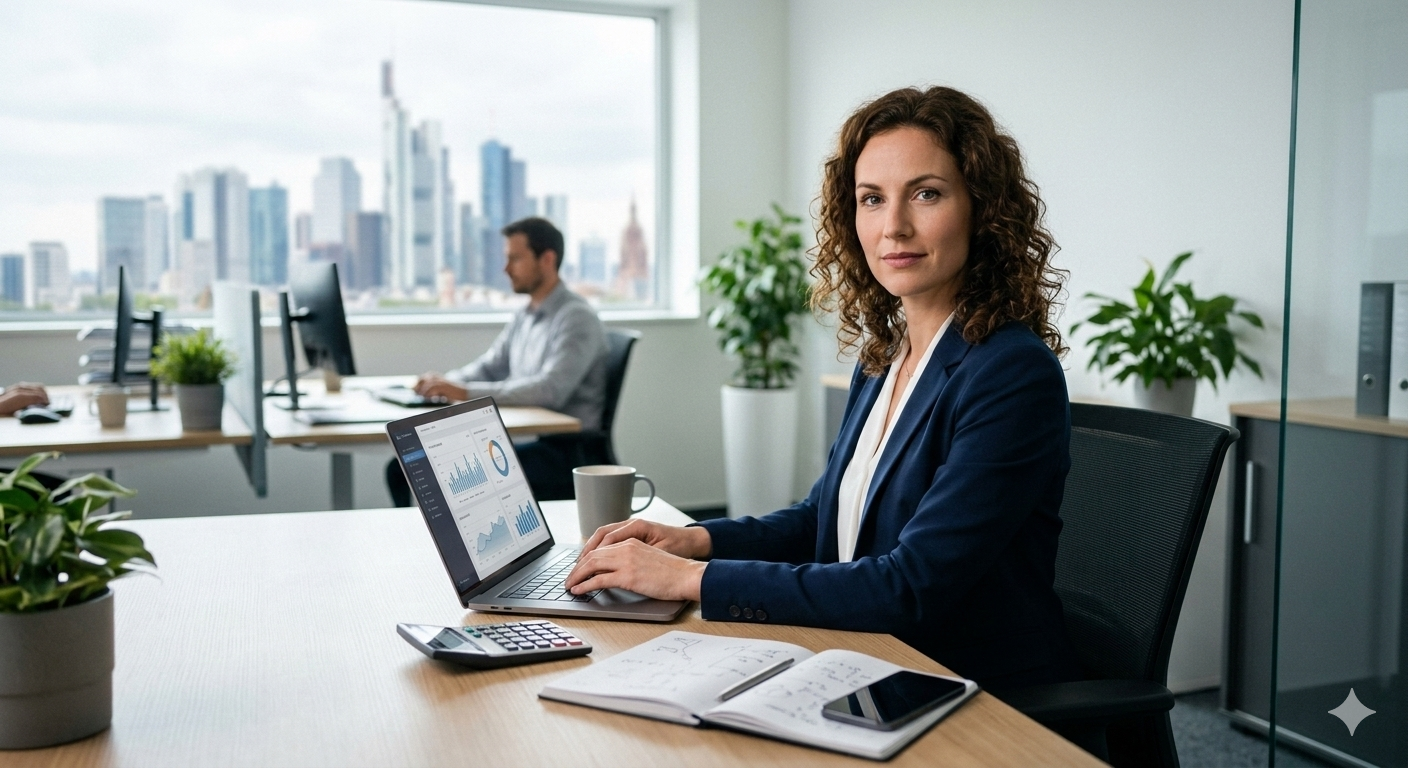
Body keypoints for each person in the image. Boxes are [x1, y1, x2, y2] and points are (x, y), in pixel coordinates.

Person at [565, 86, 1080, 692]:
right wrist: (695, 540)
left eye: (927, 193)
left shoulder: (1010, 372)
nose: (895, 226)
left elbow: (907, 585)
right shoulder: (886, 357)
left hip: (965, 689)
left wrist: (686, 580)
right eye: (872, 199)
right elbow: (822, 520)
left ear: (982, 208)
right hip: (865, 660)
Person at [386, 217, 608, 503]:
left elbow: (550, 390)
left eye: (515, 259)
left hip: (566, 453)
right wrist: (445, 383)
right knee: (404, 466)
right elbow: (490, 366)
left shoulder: (576, 318)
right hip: (530, 439)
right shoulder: (525, 315)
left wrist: (464, 392)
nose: (505, 269)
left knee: (432, 470)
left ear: (547, 259)